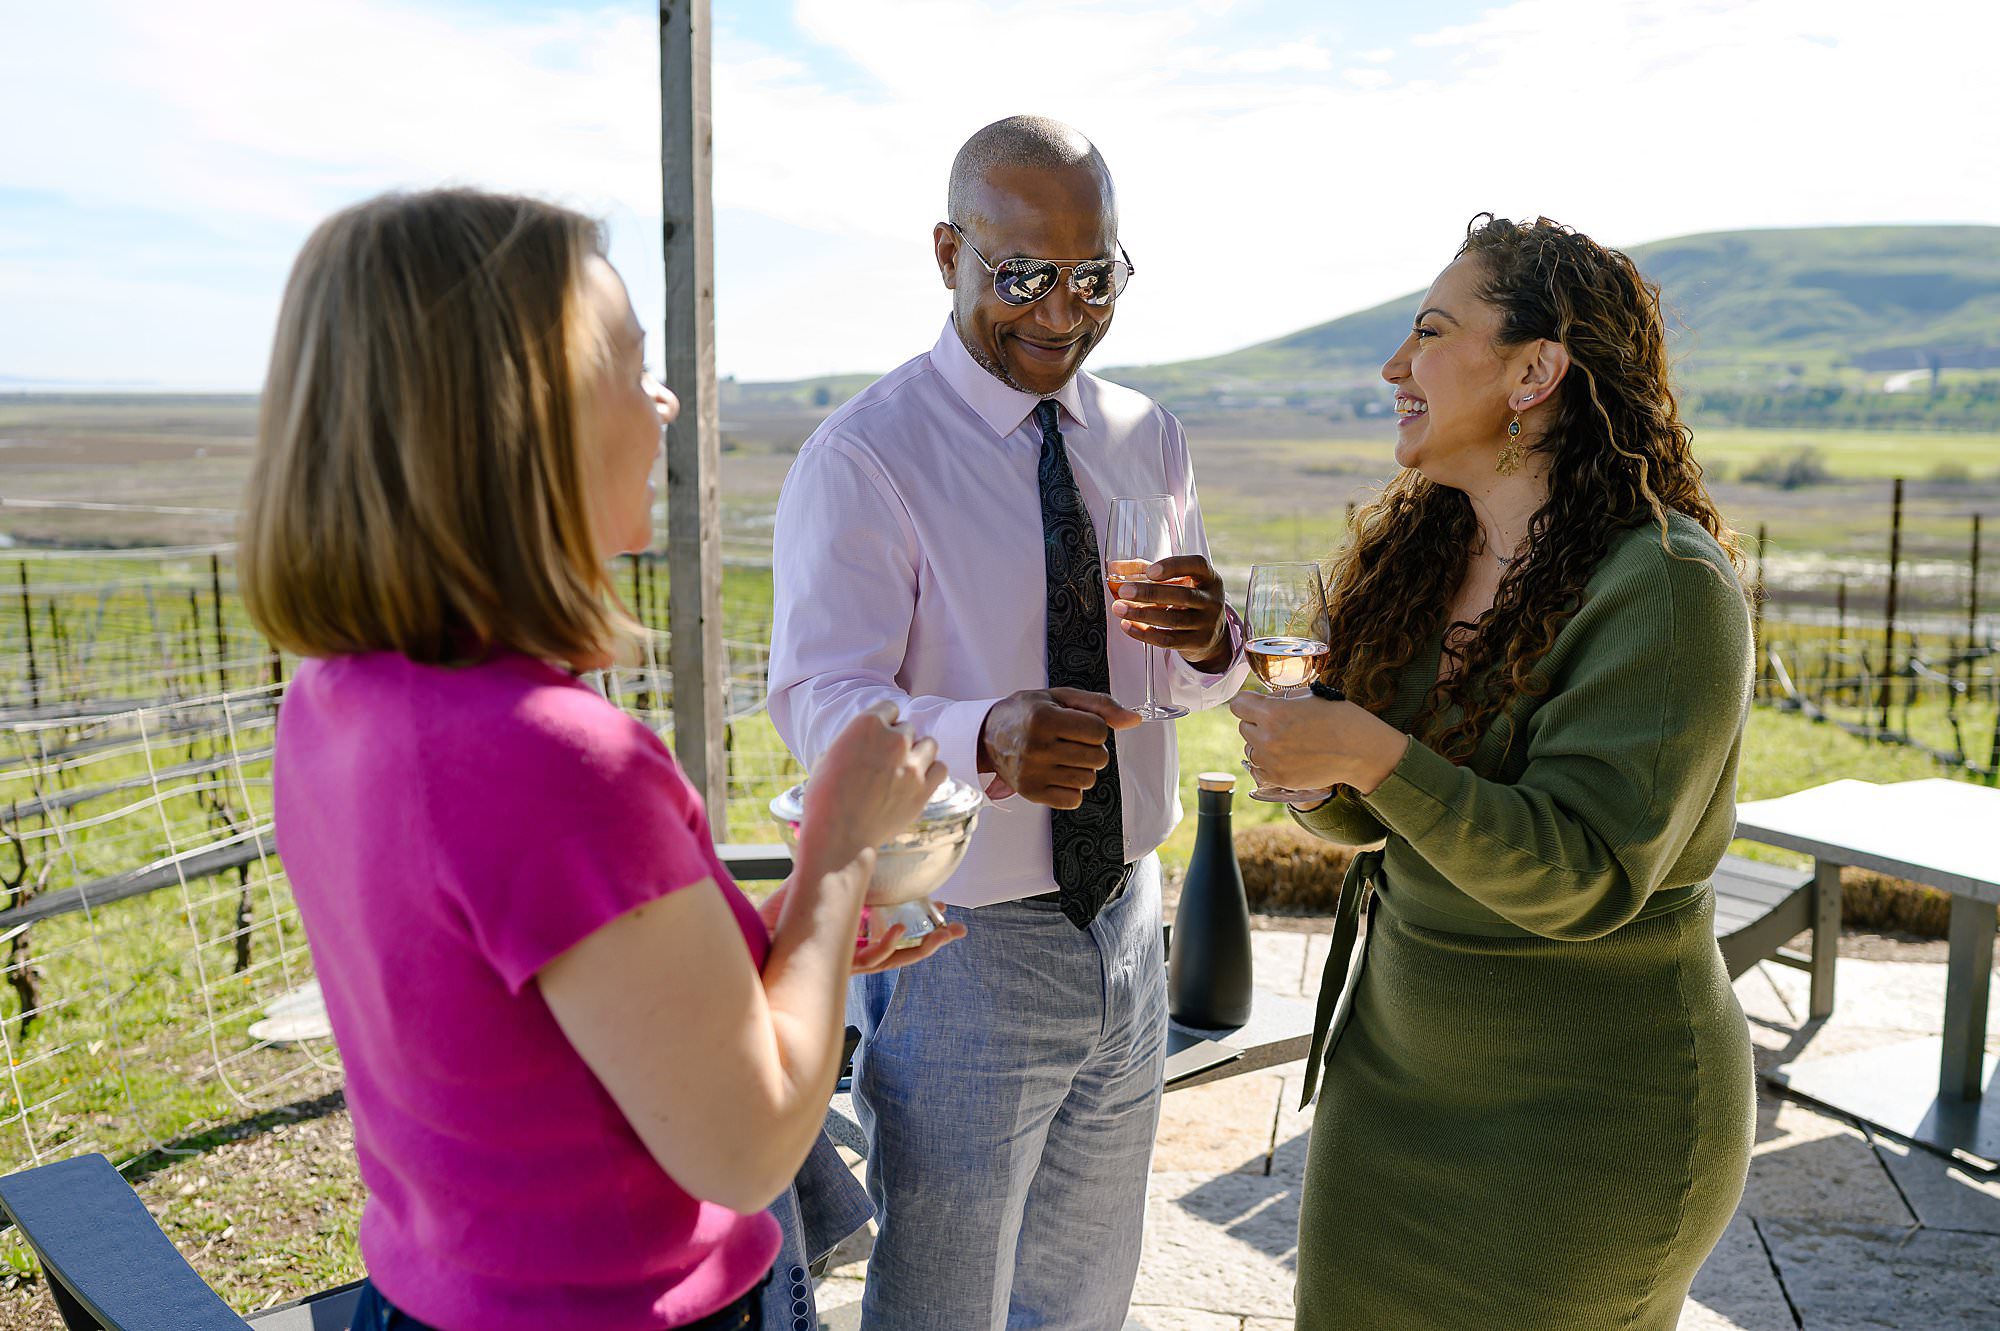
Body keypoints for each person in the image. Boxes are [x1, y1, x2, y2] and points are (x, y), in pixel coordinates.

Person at [239, 188, 962, 1331]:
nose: (663, 401)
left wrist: (789, 940)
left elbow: (540, 1013)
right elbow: (747, 1144)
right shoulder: (556, 759)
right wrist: (837, 848)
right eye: (631, 366)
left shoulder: (339, 697)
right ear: (519, 425)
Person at [1232, 214, 1756, 1330]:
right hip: (1387, 1089)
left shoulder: (1666, 588)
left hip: (1580, 1132)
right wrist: (1314, 762)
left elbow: (1586, 877)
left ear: (1534, 372)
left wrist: (1370, 752)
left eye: (1429, 333)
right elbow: (1371, 820)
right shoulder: (1429, 552)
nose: (1393, 367)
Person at [766, 116, 1248, 1330]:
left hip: (1127, 916)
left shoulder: (1146, 437)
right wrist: (983, 733)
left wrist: (1210, 643)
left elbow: (1180, 681)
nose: (1062, 310)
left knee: (1083, 1295)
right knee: (943, 1304)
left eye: (1094, 275)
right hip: (961, 948)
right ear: (948, 253)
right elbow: (816, 700)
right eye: (1023, 273)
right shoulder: (864, 455)